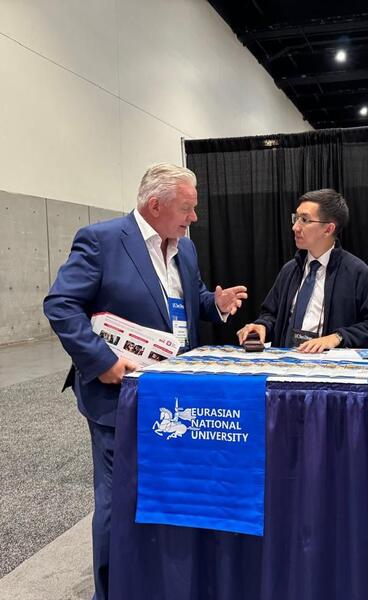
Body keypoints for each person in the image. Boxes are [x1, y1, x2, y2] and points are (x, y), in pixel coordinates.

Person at [43, 163, 247, 600]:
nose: (194, 217)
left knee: (166, 494)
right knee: (118, 501)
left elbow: (186, 300)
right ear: (155, 205)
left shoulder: (185, 248)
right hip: (117, 395)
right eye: (187, 208)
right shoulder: (101, 241)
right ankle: (110, 590)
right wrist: (101, 360)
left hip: (173, 394)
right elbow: (61, 304)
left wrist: (215, 303)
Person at [237, 188, 368, 352]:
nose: (295, 227)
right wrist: (262, 326)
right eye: (296, 218)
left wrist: (337, 337)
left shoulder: (356, 272)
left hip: (329, 363)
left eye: (304, 220)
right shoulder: (290, 270)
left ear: (328, 229)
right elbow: (270, 314)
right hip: (287, 359)